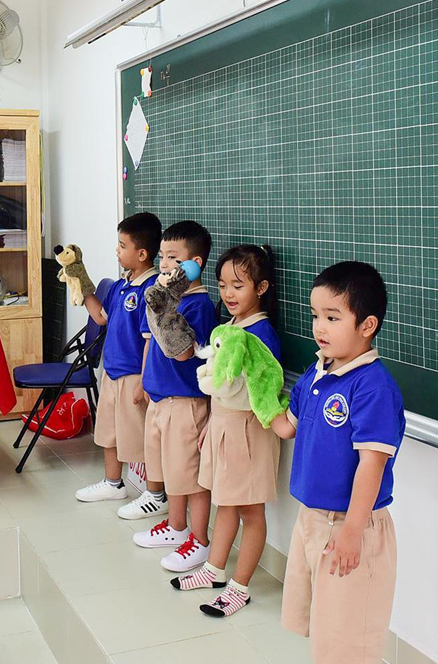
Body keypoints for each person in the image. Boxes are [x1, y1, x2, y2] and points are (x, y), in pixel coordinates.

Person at [271, 261, 404, 663]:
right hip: (311, 519)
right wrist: (248, 387)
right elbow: (286, 426)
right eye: (315, 315)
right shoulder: (318, 370)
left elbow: (372, 465)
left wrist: (351, 530)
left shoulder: (373, 386)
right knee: (324, 632)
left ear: (367, 326)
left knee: (349, 642)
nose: (319, 327)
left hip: (352, 526)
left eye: (332, 317)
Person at [174, 245, 283, 618]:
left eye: (238, 285)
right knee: (226, 502)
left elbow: (256, 391)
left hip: (248, 432)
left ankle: (240, 587)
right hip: (223, 427)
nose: (229, 294)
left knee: (250, 509)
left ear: (262, 287)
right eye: (222, 285)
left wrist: (225, 423)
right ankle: (214, 570)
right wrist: (212, 425)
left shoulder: (261, 333)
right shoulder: (231, 327)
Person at [130, 221, 218, 580]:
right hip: (161, 401)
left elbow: (182, 353)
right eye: (162, 256)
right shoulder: (168, 298)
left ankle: (199, 539)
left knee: (190, 479)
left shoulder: (198, 305)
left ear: (194, 263)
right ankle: (177, 526)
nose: (164, 264)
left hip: (185, 403)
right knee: (170, 474)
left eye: (173, 258)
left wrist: (165, 308)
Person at [73, 212, 161, 504]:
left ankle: (155, 493)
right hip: (111, 372)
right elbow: (100, 317)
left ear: (142, 253)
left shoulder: (151, 290)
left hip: (134, 375)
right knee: (107, 433)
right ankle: (113, 483)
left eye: (122, 246)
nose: (117, 250)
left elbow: (150, 341)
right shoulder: (122, 285)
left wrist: (145, 381)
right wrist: (81, 281)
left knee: (141, 438)